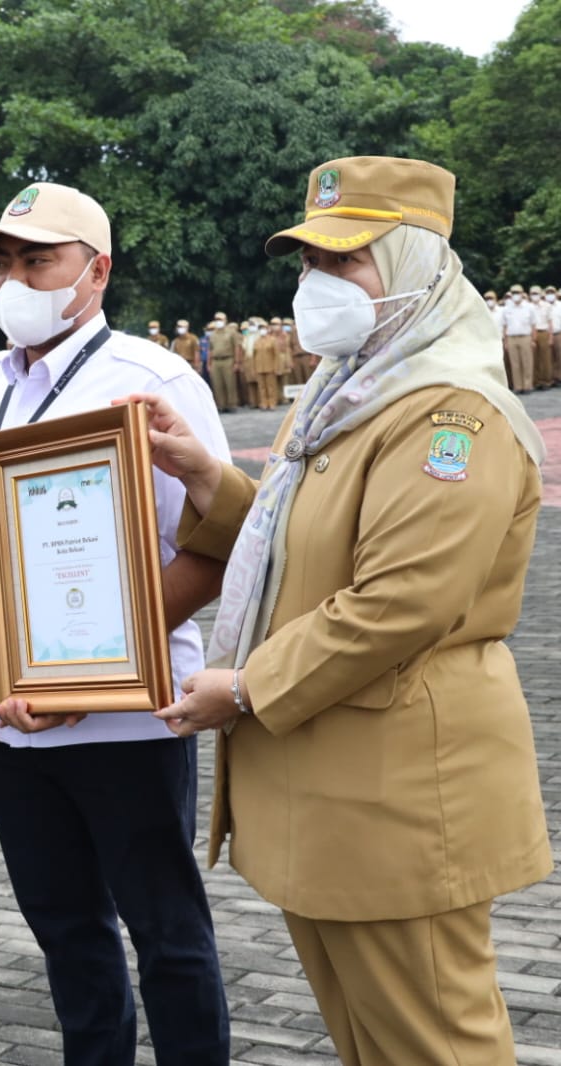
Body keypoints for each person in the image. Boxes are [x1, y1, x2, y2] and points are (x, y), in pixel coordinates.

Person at [137, 156, 550, 1066]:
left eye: (345, 261)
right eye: (308, 264)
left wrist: (241, 688)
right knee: (369, 1043)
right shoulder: (346, 392)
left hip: (400, 792)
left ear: (408, 266)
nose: (316, 285)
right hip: (335, 787)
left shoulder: (449, 413)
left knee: (433, 1043)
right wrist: (209, 480)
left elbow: (401, 600)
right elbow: (303, 545)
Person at [0, 180, 233, 1066]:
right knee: (64, 929)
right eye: (3, 262)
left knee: (164, 932)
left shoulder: (149, 381)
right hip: (3, 716)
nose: (13, 277)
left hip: (124, 714)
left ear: (95, 271)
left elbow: (208, 550)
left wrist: (75, 674)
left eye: (37, 259)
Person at [500, 283, 534, 392]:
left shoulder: (529, 307)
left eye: (517, 293)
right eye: (513, 293)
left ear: (522, 294)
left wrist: (533, 339)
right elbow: (504, 326)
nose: (515, 295)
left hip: (525, 337)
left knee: (527, 362)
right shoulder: (506, 309)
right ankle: (518, 386)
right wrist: (505, 341)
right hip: (511, 338)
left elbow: (533, 325)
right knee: (515, 364)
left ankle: (527, 385)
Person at [206, 313, 239, 411]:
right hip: (216, 361)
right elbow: (210, 350)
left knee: (230, 383)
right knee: (217, 384)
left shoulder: (231, 332)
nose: (218, 321)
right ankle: (221, 405)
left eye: (220, 319)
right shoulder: (213, 334)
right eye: (216, 319)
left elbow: (236, 347)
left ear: (225, 320)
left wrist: (237, 362)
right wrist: (209, 363)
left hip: (228, 359)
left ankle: (232, 404)